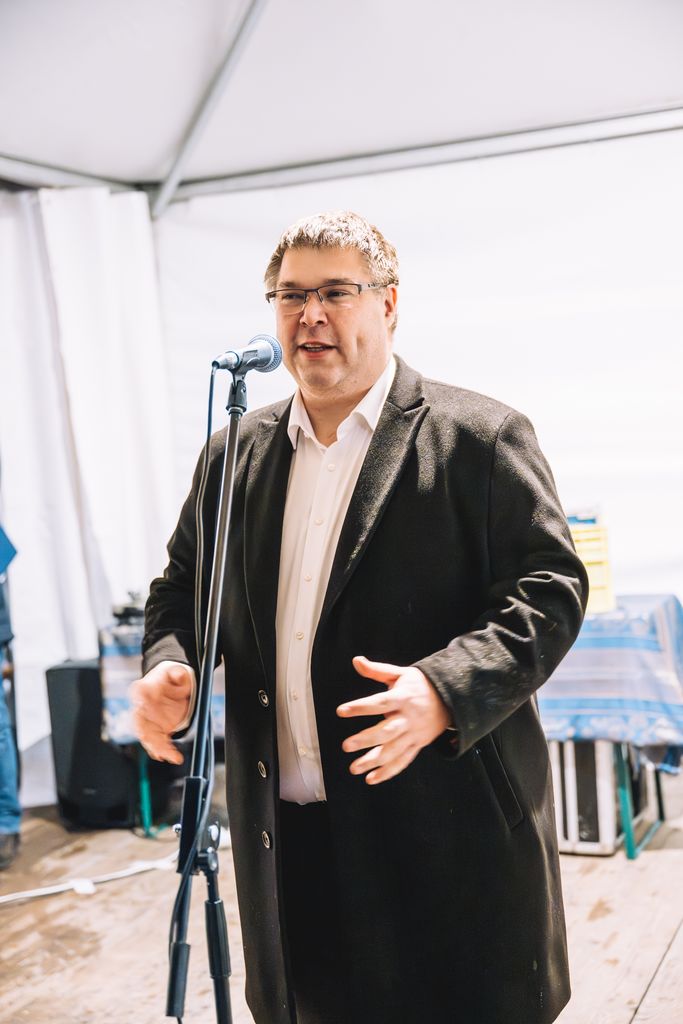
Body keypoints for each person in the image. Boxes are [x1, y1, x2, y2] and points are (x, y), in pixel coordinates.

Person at [133, 210, 588, 1024]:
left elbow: (549, 589)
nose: (309, 314)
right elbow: (182, 589)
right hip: (286, 848)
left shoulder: (477, 437)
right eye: (290, 295)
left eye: (335, 292)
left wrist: (446, 688)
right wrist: (172, 661)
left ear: (388, 304)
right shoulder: (232, 453)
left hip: (445, 839)